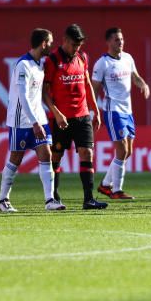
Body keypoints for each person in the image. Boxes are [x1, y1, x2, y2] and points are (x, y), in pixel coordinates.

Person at [43, 24, 108, 210]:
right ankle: (54, 197)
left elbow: (87, 84)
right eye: (73, 44)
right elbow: (45, 93)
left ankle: (88, 199)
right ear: (64, 40)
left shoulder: (82, 57)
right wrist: (56, 113)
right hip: (61, 118)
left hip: (82, 115)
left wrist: (95, 109)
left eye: (79, 45)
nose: (76, 48)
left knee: (88, 153)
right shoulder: (53, 60)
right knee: (56, 156)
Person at [0, 28, 60, 212]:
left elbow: (37, 95)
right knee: (16, 159)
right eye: (50, 42)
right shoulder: (23, 65)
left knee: (46, 154)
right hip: (21, 121)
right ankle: (3, 200)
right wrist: (33, 123)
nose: (51, 45)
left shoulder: (39, 64)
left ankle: (50, 200)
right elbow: (23, 97)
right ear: (43, 43)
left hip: (38, 117)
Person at [93, 27, 149, 200]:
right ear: (108, 42)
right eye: (117, 40)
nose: (121, 42)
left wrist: (143, 85)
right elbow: (93, 90)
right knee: (122, 149)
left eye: (122, 39)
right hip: (113, 111)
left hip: (128, 110)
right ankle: (117, 190)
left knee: (128, 151)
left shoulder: (127, 58)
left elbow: (135, 76)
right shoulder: (102, 63)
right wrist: (93, 111)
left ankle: (104, 184)